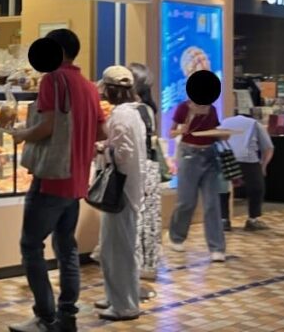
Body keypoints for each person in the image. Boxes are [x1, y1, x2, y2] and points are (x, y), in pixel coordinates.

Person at [10, 29, 105, 332]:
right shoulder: (89, 86)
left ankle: (45, 316)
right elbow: (101, 132)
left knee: (30, 245)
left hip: (51, 178)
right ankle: (67, 316)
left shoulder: (52, 79)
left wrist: (22, 134)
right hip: (77, 180)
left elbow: (48, 125)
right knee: (67, 247)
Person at [93, 66, 145, 322]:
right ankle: (115, 296)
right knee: (112, 248)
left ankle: (125, 304)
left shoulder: (122, 116)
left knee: (118, 250)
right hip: (129, 188)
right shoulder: (132, 113)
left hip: (121, 191)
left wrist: (102, 150)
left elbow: (123, 154)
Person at [167, 87, 227, 263]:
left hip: (210, 155)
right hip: (189, 154)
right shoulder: (183, 108)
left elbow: (214, 131)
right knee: (186, 202)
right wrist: (182, 130)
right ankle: (176, 236)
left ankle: (217, 247)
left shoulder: (212, 109)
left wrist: (222, 135)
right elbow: (171, 132)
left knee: (212, 203)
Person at [129, 63, 166, 300]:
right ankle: (139, 275)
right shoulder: (147, 109)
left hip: (140, 172)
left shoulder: (136, 110)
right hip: (148, 171)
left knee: (138, 222)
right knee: (145, 221)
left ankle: (134, 281)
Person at [220, 113, 275, 230]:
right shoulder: (255, 124)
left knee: (223, 189)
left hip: (225, 158)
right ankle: (252, 219)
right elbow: (268, 148)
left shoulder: (223, 122)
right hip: (249, 160)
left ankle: (223, 220)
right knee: (256, 188)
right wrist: (263, 166)